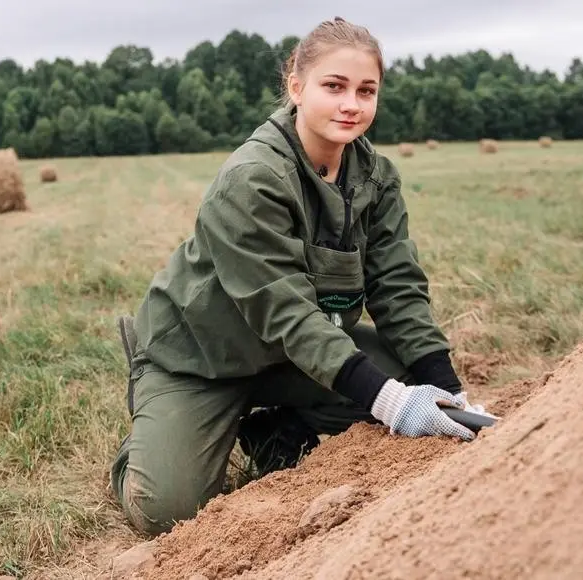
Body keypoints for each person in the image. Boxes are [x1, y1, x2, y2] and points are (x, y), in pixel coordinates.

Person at [109, 16, 490, 537]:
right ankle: (153, 429)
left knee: (408, 380)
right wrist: (393, 401)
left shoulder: (376, 177)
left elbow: (397, 284)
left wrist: (445, 388)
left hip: (295, 356)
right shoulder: (252, 178)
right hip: (200, 359)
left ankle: (274, 430)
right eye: (333, 86)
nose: (350, 103)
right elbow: (283, 309)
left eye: (366, 90)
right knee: (165, 511)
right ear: (296, 86)